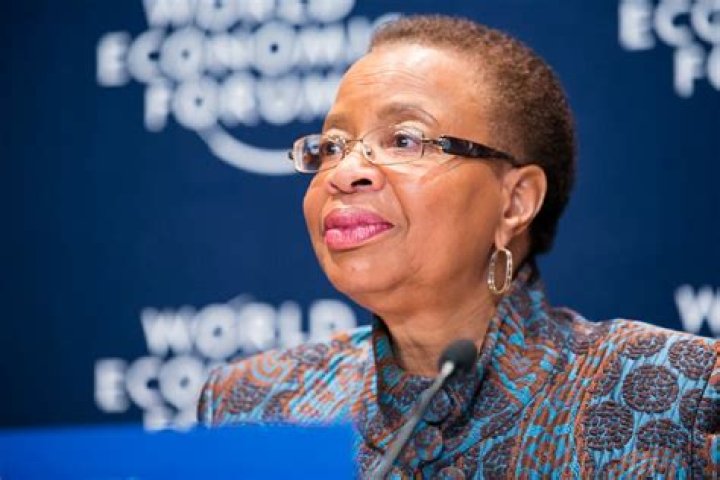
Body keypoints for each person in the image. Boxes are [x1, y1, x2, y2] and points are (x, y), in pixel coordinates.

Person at [198, 15, 719, 478]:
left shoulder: (680, 397)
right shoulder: (254, 406)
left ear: (515, 202)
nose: (344, 172)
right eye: (332, 146)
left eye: (404, 140)